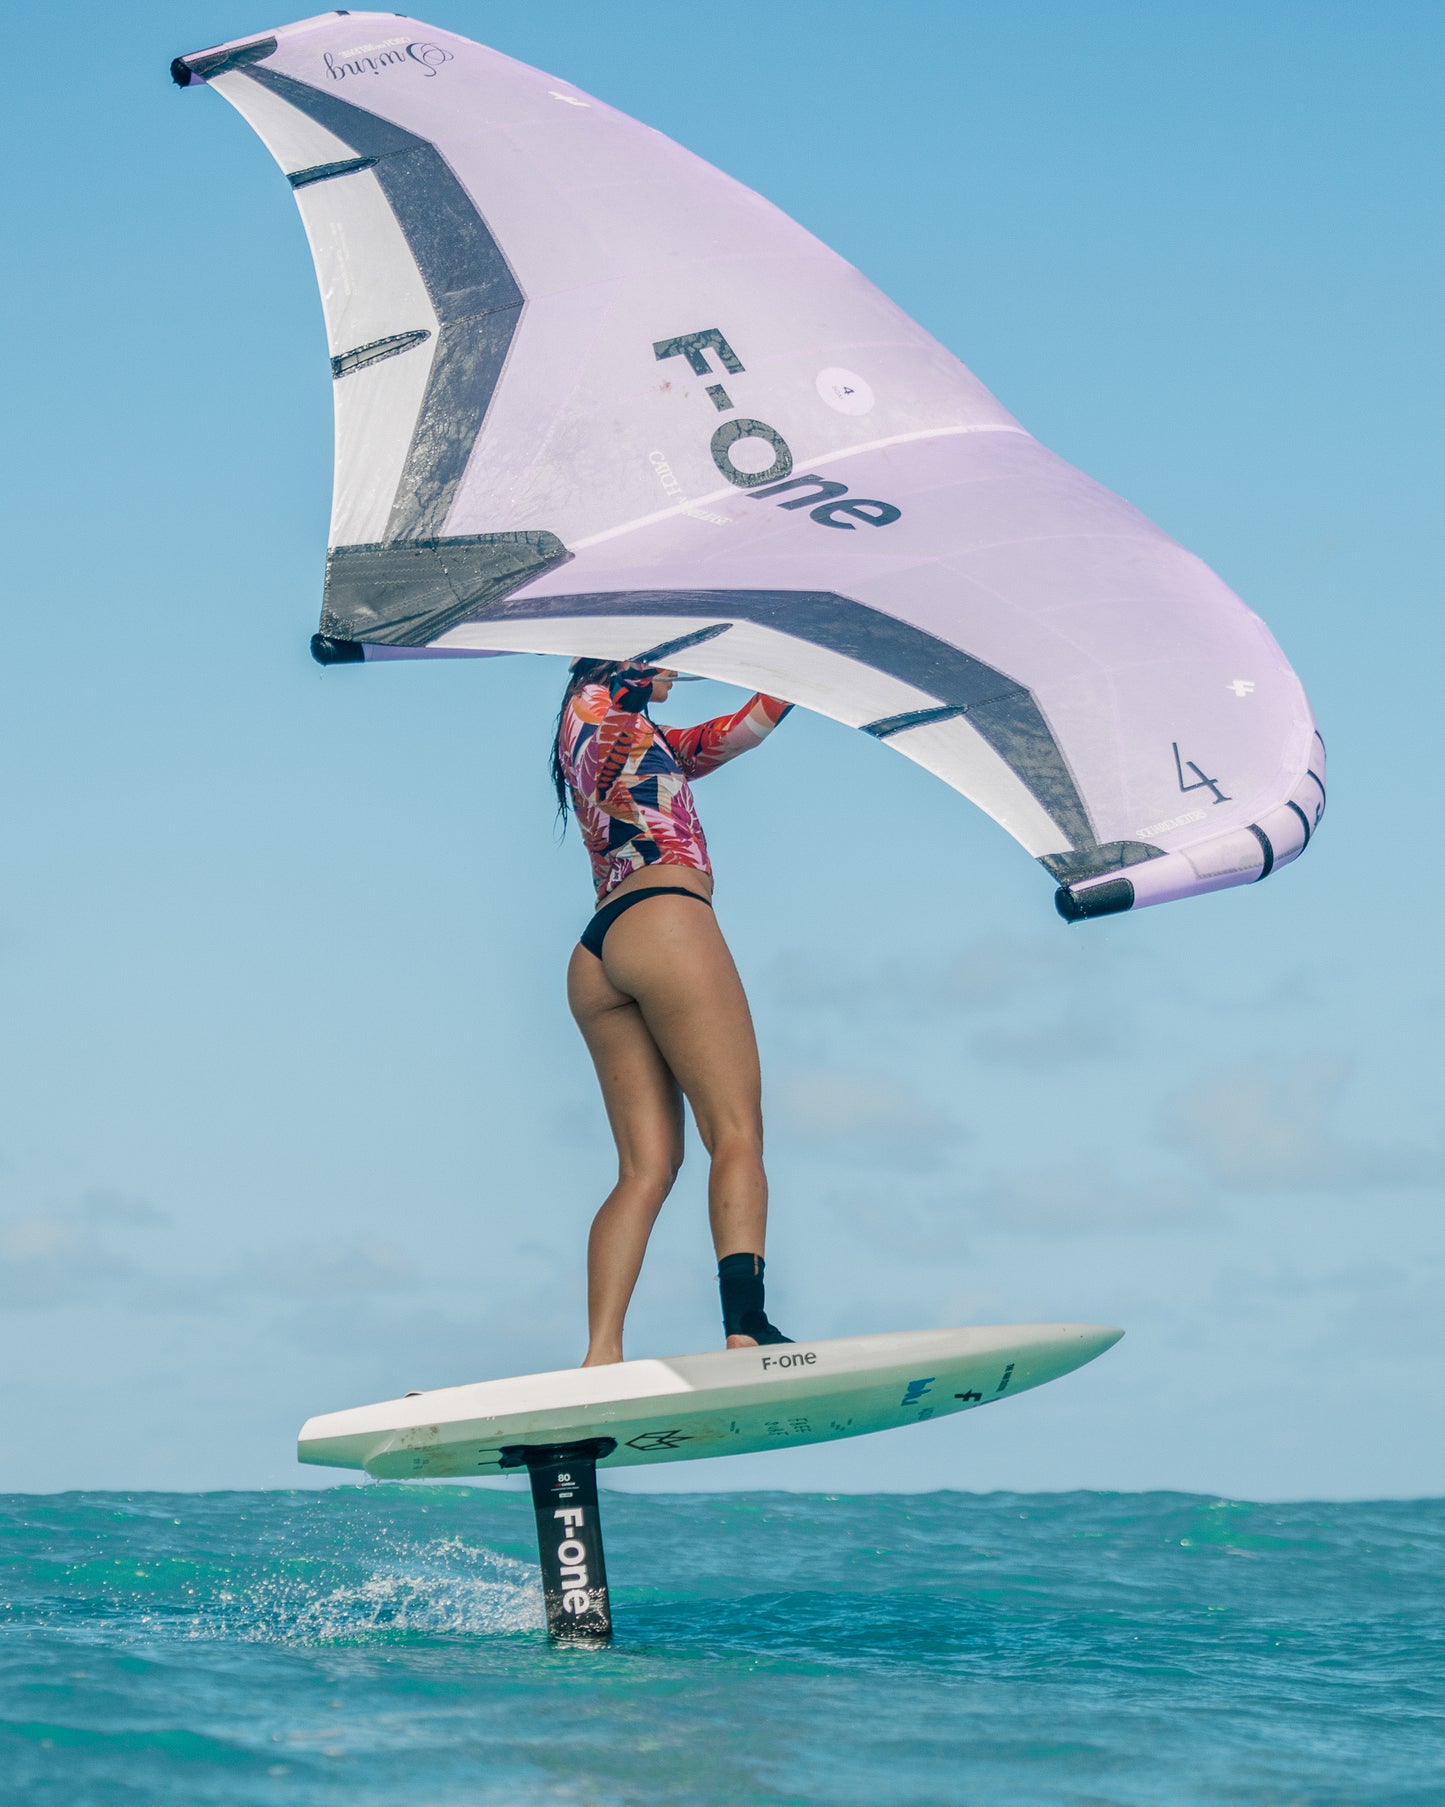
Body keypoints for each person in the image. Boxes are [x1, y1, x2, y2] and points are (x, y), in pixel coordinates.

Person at [552, 658, 795, 1366]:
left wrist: (811, 672)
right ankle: (746, 1325)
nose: (679, 670)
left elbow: (732, 733)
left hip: (599, 952)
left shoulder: (632, 737)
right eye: (669, 657)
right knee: (737, 1133)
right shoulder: (602, 705)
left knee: (645, 1168)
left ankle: (601, 1354)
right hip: (664, 921)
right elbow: (619, 661)